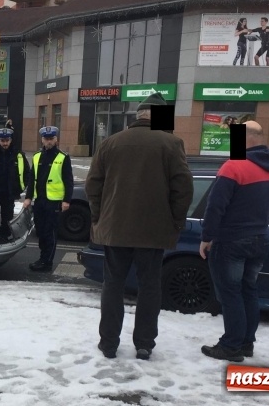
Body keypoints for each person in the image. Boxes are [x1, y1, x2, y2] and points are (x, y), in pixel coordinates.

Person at [86, 92, 194, 361]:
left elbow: (92, 185)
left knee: (113, 285)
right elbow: (183, 188)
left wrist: (100, 217)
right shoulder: (171, 144)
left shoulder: (111, 143)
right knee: (150, 287)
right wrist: (176, 221)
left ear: (138, 117)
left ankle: (109, 342)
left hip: (115, 229)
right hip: (154, 231)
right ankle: (144, 343)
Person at [198, 121, 269, 362]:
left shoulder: (234, 166)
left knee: (230, 294)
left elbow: (215, 206)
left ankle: (230, 346)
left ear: (248, 139)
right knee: (248, 291)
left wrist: (207, 237)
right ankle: (246, 343)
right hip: (259, 239)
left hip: (231, 240)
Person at [23, 126, 73, 272]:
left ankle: (47, 262)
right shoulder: (37, 156)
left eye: (52, 139)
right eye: (46, 139)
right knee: (40, 231)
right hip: (40, 201)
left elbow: (68, 180)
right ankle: (42, 257)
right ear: (42, 140)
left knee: (50, 232)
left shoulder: (63, 157)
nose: (49, 142)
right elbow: (32, 179)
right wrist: (28, 197)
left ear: (56, 139)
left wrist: (66, 200)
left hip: (54, 201)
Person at [0, 127, 30, 244]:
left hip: (9, 194)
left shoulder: (19, 156)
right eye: (2, 140)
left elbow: (27, 174)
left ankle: (4, 237)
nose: (5, 143)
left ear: (11, 140)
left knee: (7, 218)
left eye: (7, 140)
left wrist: (20, 189)